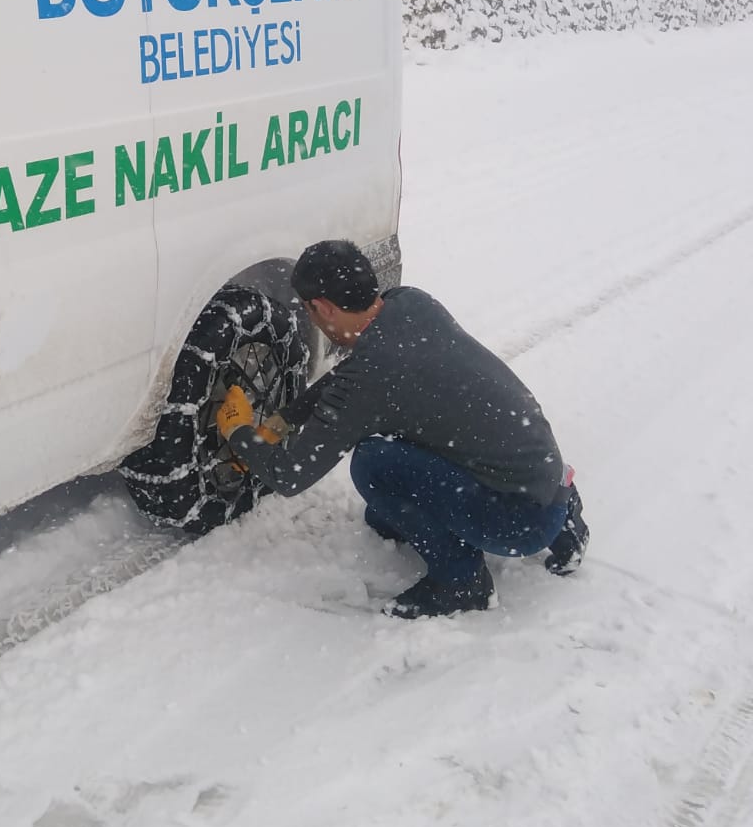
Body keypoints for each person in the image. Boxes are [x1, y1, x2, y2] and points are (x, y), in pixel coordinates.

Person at [215, 239, 589, 618]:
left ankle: (461, 583)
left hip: (517, 524)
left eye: (310, 313)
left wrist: (240, 432)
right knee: (406, 471)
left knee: (372, 462)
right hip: (545, 474)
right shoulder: (409, 303)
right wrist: (281, 424)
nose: (312, 321)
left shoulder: (371, 377)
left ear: (324, 308)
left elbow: (289, 474)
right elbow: (350, 377)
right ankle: (566, 522)